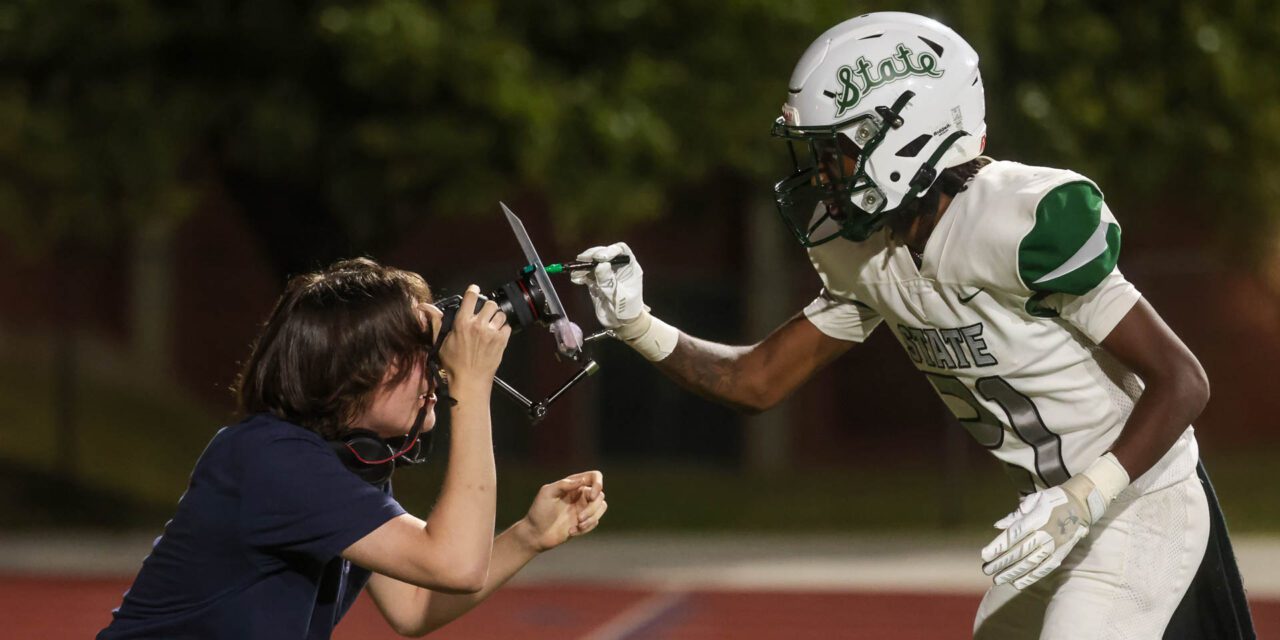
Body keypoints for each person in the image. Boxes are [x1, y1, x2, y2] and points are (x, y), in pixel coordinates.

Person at [570, 12, 1252, 640]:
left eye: (834, 150)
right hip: (1052, 516)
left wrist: (1085, 496)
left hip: (1134, 502)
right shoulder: (865, 250)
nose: (821, 173)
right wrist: (636, 323)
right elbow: (758, 380)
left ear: (906, 133)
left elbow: (1182, 381)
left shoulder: (1016, 221)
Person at [99, 257, 608, 639]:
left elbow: (412, 605)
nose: (436, 365)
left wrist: (527, 536)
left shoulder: (343, 461)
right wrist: (470, 388)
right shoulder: (272, 460)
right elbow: (454, 564)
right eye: (419, 352)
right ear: (355, 371)